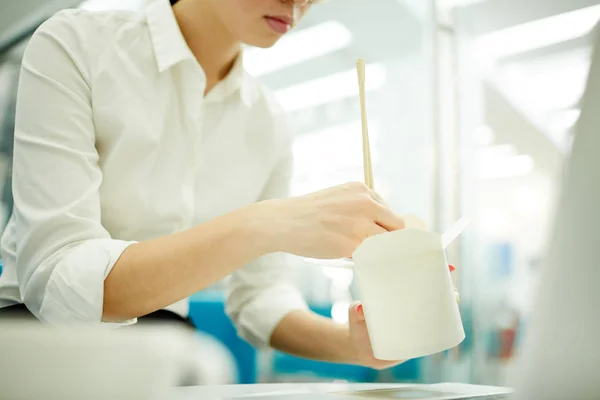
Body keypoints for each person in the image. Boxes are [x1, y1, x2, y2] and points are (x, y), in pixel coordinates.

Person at [0, 0, 407, 370]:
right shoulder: (76, 44)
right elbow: (59, 280)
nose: (299, 2)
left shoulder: (268, 121)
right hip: (36, 351)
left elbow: (259, 295)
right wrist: (270, 224)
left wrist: (351, 345)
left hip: (166, 352)